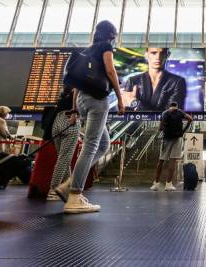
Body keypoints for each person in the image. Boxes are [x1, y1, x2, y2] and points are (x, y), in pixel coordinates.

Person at [54, 20, 126, 213]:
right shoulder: (105, 46)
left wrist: (75, 108)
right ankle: (74, 195)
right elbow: (110, 71)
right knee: (91, 145)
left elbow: (78, 83)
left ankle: (70, 184)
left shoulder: (88, 49)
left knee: (103, 145)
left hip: (83, 101)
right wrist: (120, 98)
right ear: (111, 34)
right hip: (97, 101)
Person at [122, 48, 187, 111]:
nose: (158, 57)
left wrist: (135, 103)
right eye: (153, 53)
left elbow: (172, 115)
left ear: (168, 55)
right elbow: (124, 112)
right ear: (146, 55)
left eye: (162, 53)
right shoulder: (132, 81)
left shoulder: (177, 82)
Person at [46, 85, 80, 201]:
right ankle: (53, 189)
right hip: (70, 120)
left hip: (57, 122)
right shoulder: (77, 91)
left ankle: (66, 189)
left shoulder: (62, 94)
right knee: (64, 159)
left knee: (64, 159)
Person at [151, 102, 193, 191]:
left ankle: (156, 183)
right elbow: (190, 119)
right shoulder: (180, 111)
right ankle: (168, 184)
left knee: (161, 160)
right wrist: (183, 131)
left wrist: (163, 129)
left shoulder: (164, 113)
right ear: (177, 106)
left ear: (169, 106)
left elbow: (160, 128)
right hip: (178, 138)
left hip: (166, 138)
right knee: (172, 161)